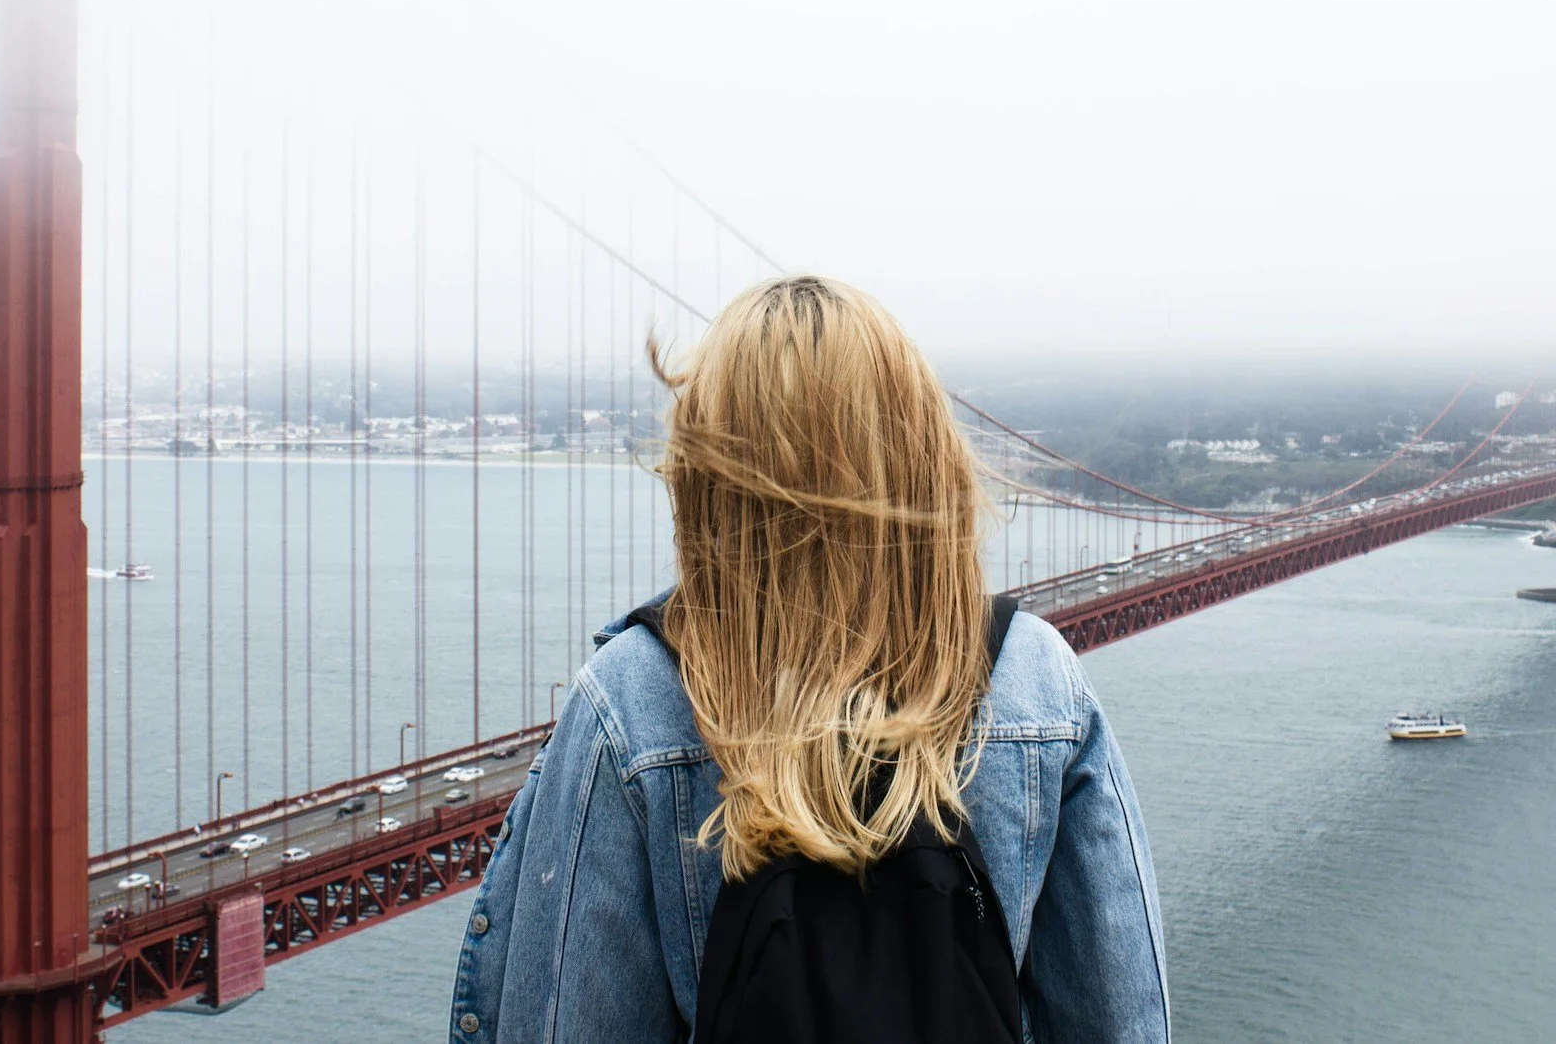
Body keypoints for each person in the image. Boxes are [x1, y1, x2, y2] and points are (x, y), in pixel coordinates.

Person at [450, 275, 1169, 1042]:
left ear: (707, 478)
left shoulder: (630, 702)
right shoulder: (1036, 680)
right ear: (926, 459)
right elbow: (1122, 1022)